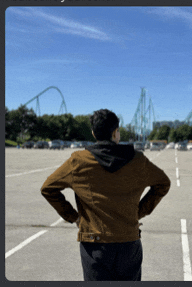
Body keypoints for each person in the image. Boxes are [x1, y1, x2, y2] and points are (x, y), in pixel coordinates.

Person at [41, 109, 171, 281]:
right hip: (128, 241)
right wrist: (139, 212)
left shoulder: (79, 161)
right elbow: (163, 183)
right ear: (116, 133)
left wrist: (74, 217)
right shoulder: (138, 160)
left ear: (94, 133)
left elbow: (48, 188)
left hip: (94, 243)